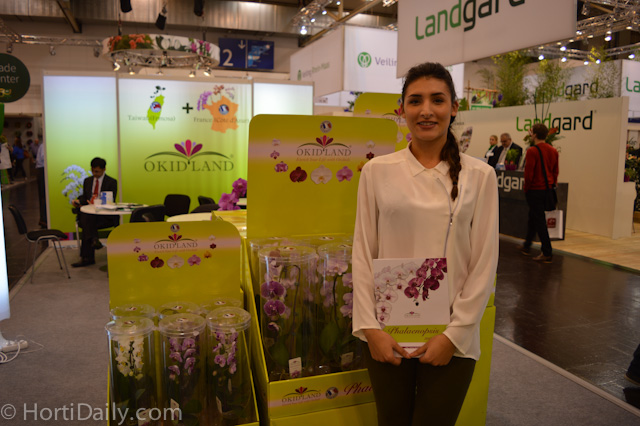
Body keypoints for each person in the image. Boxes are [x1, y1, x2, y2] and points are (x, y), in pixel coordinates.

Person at [352, 62, 499, 426]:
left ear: (454, 107)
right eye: (415, 101)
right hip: (388, 331)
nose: (426, 110)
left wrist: (454, 335)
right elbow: (363, 252)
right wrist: (371, 328)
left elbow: (484, 263)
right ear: (402, 109)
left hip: (452, 335)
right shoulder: (377, 171)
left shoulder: (480, 176)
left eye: (438, 100)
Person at [521, 123, 559, 263]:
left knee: (539, 220)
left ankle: (547, 251)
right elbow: (555, 171)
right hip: (547, 189)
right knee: (534, 217)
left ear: (535, 135)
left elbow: (529, 173)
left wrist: (526, 188)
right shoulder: (553, 151)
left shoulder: (532, 151)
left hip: (535, 190)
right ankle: (527, 246)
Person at [71, 157, 118, 267]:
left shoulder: (111, 182)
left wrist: (96, 202)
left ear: (104, 169)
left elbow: (111, 200)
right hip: (90, 214)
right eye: (93, 171)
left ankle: (87, 257)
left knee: (87, 221)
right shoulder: (87, 181)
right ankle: (94, 239)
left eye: (97, 171)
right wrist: (78, 201)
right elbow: (85, 197)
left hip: (103, 216)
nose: (94, 174)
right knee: (87, 216)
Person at [35, 139, 47, 227]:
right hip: (42, 170)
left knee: (44, 196)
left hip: (43, 170)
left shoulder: (43, 145)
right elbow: (44, 157)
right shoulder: (44, 146)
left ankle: (44, 218)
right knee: (43, 196)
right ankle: (43, 219)